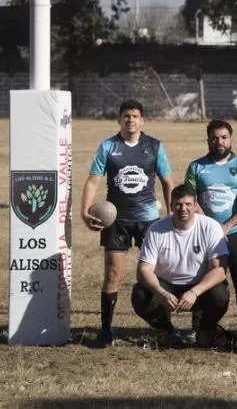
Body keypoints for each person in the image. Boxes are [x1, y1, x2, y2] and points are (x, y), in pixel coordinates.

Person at [80, 99, 174, 348]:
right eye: (126, 116)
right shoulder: (108, 146)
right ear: (119, 120)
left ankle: (166, 328)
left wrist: (172, 214)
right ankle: (106, 331)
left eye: (135, 116)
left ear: (142, 120)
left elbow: (168, 182)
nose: (130, 120)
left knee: (157, 275)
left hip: (149, 221)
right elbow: (92, 181)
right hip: (116, 221)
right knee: (112, 275)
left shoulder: (154, 146)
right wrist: (84, 211)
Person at [185, 119, 237, 341]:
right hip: (205, 234)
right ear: (208, 139)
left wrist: (226, 226)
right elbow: (191, 200)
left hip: (235, 232)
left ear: (230, 139)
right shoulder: (196, 166)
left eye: (224, 137)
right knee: (203, 281)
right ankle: (198, 329)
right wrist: (210, 225)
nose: (219, 141)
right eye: (214, 138)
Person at [131, 185, 230, 347]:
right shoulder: (156, 229)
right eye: (178, 204)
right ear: (171, 206)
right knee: (141, 294)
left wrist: (194, 292)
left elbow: (219, 270)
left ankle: (205, 330)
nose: (183, 208)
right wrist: (161, 292)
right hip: (166, 285)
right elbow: (143, 271)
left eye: (187, 204)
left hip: (198, 285)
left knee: (220, 294)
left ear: (195, 205)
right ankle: (167, 330)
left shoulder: (211, 227)